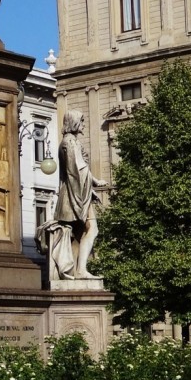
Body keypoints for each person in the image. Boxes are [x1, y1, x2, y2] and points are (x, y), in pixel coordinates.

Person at [50, 110, 107, 280]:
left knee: (78, 233)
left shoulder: (67, 142)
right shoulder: (71, 143)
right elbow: (77, 170)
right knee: (92, 229)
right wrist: (94, 184)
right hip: (74, 195)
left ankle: (74, 270)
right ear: (74, 122)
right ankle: (80, 270)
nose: (83, 124)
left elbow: (79, 170)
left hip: (73, 193)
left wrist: (91, 187)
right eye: (81, 121)